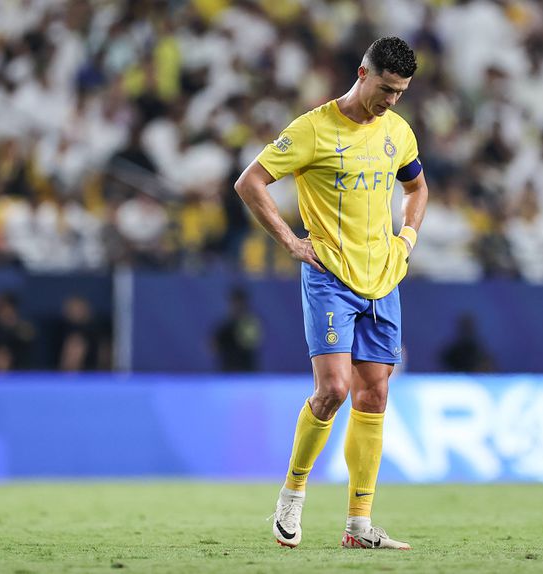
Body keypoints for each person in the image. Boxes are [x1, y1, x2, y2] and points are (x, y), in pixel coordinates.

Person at [234, 37, 426, 550]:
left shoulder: (398, 132)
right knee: (334, 390)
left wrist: (407, 238)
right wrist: (290, 241)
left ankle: (359, 526)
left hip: (383, 277)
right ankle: (292, 494)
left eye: (401, 92)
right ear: (363, 73)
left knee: (375, 393)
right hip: (330, 275)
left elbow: (416, 188)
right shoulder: (313, 129)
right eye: (386, 88)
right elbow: (250, 182)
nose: (391, 100)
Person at [212, 287, 263, 372]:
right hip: (228, 372)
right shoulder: (223, 327)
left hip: (247, 371)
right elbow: (213, 348)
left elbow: (252, 342)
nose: (237, 306)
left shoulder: (250, 325)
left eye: (240, 303)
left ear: (245, 304)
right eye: (234, 303)